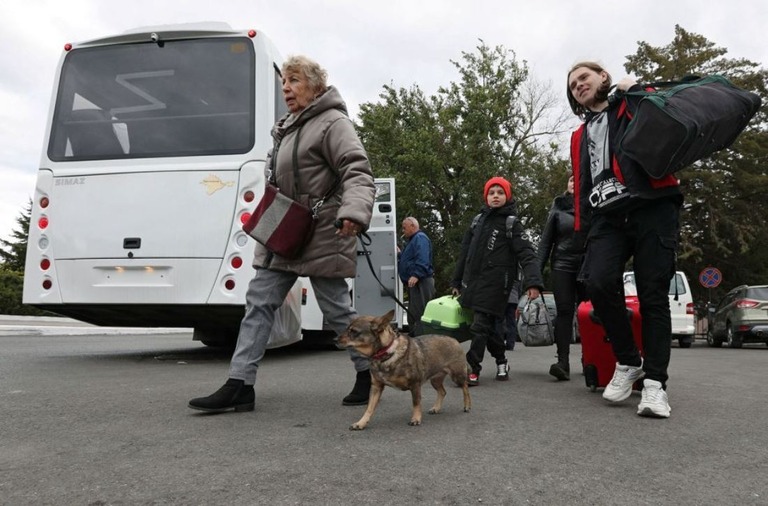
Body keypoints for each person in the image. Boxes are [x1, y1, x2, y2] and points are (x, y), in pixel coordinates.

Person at [189, 55, 376, 413]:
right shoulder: (287, 127)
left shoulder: (333, 123)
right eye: (284, 82)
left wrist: (354, 212)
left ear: (315, 85)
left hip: (323, 229)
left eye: (294, 81)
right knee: (258, 304)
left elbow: (357, 170)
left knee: (337, 311)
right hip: (286, 227)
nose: (286, 88)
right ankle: (240, 384)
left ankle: (368, 373)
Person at [567, 61, 683, 418]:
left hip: (651, 206)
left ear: (603, 77)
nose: (578, 86)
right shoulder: (578, 135)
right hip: (607, 217)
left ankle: (655, 385)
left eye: (583, 78)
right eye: (572, 86)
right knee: (598, 283)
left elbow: (668, 122)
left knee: (652, 297)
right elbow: (582, 185)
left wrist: (636, 90)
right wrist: (583, 232)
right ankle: (629, 361)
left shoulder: (631, 103)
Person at [451, 176, 543, 386]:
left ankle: (471, 368)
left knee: (480, 325)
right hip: (473, 283)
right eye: (491, 193)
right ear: (486, 197)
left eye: (500, 193)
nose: (495, 196)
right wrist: (456, 281)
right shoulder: (477, 221)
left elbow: (527, 254)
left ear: (507, 196)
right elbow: (464, 254)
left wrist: (533, 282)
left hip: (497, 285)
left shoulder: (512, 223)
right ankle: (502, 362)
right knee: (488, 328)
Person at [537, 174, 583, 381]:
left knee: (587, 312)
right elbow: (545, 242)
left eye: (579, 179)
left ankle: (590, 360)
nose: (575, 183)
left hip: (588, 265)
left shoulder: (594, 205)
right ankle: (562, 362)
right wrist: (534, 277)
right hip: (562, 264)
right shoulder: (558, 207)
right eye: (571, 179)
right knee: (564, 311)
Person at [397, 217, 435, 336]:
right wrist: (400, 254)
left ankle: (424, 338)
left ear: (413, 226)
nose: (403, 230)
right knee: (414, 310)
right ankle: (415, 336)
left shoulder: (420, 238)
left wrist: (416, 275)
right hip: (414, 282)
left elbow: (423, 258)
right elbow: (409, 260)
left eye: (404, 227)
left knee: (421, 311)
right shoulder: (412, 241)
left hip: (421, 280)